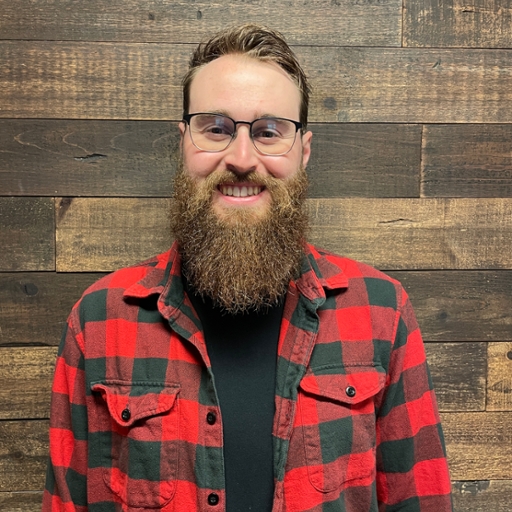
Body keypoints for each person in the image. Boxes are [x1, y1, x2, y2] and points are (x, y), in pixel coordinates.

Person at [42, 24, 453, 512]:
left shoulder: (383, 313)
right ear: (184, 143)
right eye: (216, 128)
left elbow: (421, 499)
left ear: (303, 152)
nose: (241, 158)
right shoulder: (97, 321)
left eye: (269, 132)